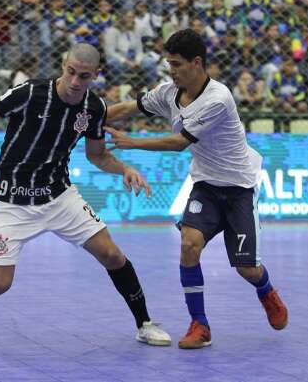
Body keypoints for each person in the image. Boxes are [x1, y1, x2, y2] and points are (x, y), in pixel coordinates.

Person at [0, 43, 171, 346]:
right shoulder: (30, 93)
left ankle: (144, 323)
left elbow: (97, 156)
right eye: (71, 72)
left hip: (58, 197)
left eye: (83, 76)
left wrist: (123, 168)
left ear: (95, 75)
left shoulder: (93, 108)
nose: (75, 81)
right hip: (12, 201)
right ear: (63, 66)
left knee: (112, 254)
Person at [105, 29, 288, 349]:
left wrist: (131, 142)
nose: (171, 70)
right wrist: (89, 116)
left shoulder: (218, 98)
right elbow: (130, 107)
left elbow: (178, 144)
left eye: (176, 64)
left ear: (197, 63)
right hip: (205, 184)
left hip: (238, 188)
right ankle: (199, 325)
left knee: (247, 268)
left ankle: (267, 291)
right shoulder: (168, 92)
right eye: (168, 64)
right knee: (189, 245)